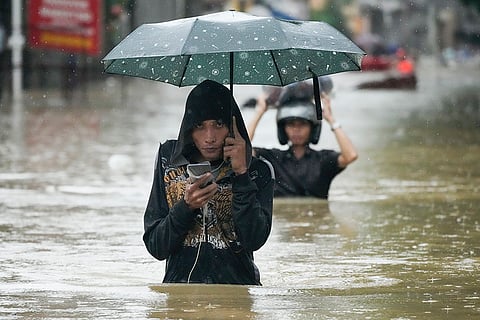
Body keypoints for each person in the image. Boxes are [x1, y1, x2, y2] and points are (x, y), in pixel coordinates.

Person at [143, 80, 274, 285]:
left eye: (218, 125)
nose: (209, 137)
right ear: (188, 129)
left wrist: (241, 174)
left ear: (232, 126)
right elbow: (156, 247)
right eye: (200, 126)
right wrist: (186, 207)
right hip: (180, 296)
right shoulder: (168, 160)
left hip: (236, 296)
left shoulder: (258, 171)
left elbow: (254, 240)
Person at [247, 80, 357, 199]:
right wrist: (259, 112)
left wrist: (331, 120)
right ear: (283, 129)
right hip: (283, 217)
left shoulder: (323, 161)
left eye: (302, 124)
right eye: (291, 124)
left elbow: (350, 155)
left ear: (312, 128)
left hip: (316, 216)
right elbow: (243, 150)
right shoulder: (273, 160)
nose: (296, 130)